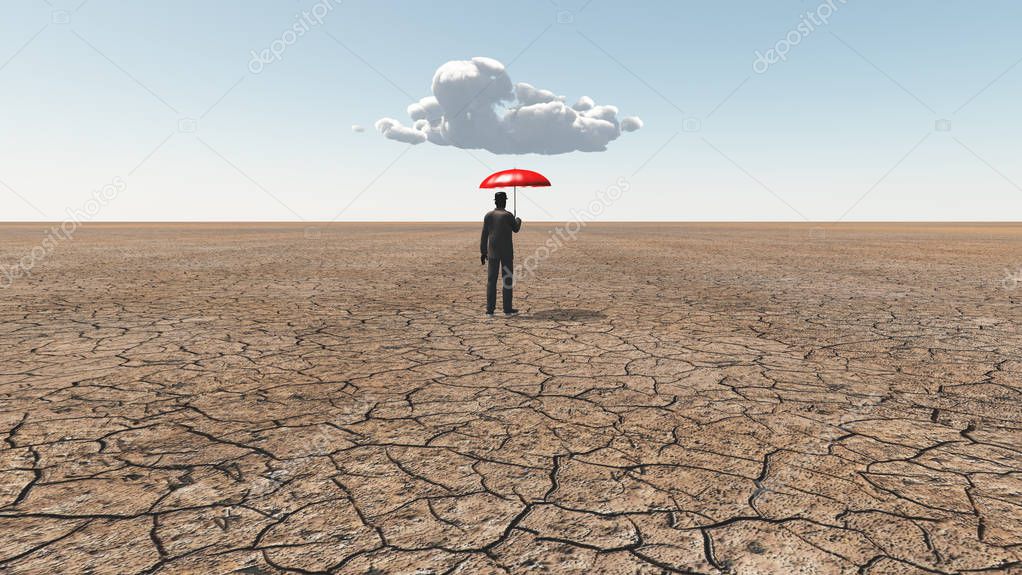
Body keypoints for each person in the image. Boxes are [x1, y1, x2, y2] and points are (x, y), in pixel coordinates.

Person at [480, 191, 522, 316]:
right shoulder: (508, 215)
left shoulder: (488, 215)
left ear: (495, 201)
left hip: (492, 252)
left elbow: (484, 235)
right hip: (507, 253)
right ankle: (507, 309)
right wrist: (518, 219)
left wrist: (483, 252)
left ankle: (490, 310)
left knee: (491, 280)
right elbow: (516, 229)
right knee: (507, 280)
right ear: (505, 201)